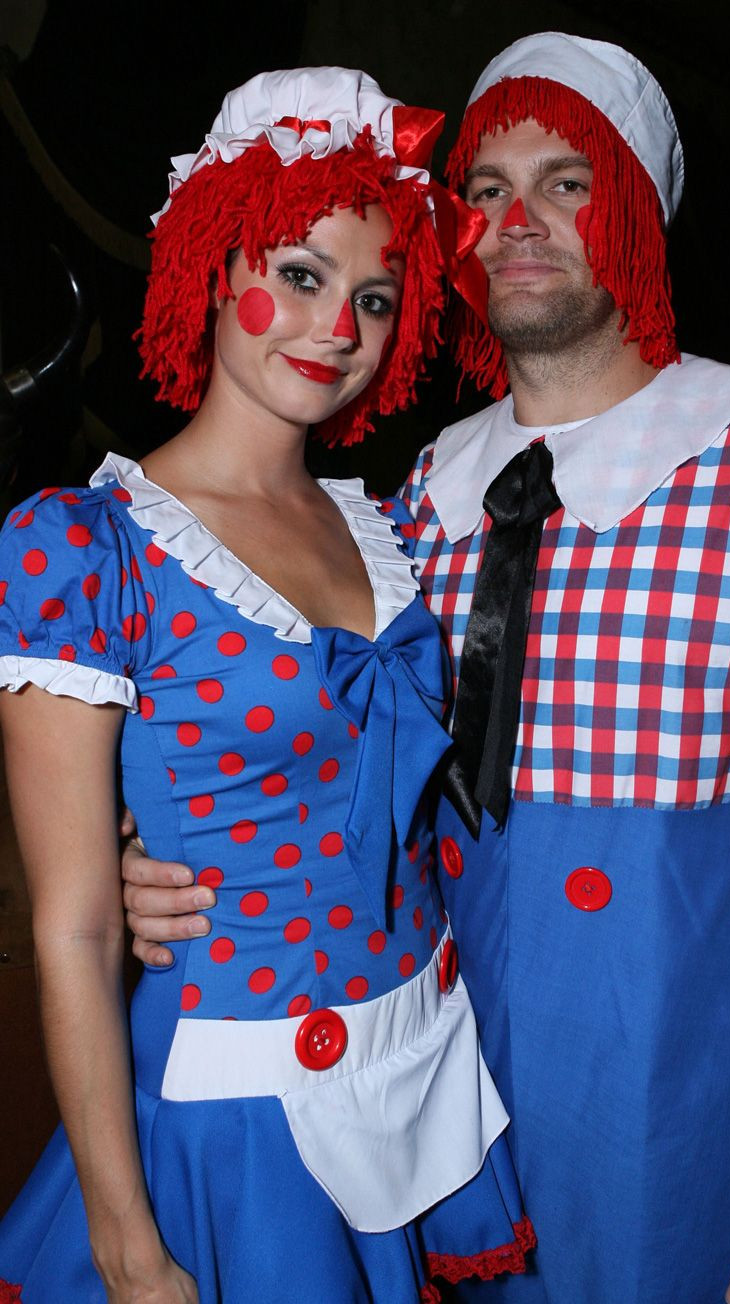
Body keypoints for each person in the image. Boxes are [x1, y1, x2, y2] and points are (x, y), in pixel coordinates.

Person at [121, 33, 730, 1304]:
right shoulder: (415, 497)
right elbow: (287, 756)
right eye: (481, 191)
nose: (516, 219)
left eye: (566, 181)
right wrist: (147, 853)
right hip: (422, 1096)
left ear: (638, 215)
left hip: (678, 1119)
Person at [0, 66, 535, 1304]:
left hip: (425, 1065)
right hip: (243, 1117)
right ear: (210, 264)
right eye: (298, 276)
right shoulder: (87, 546)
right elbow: (72, 926)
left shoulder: (390, 525)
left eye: (374, 296)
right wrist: (131, 1253)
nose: (335, 329)